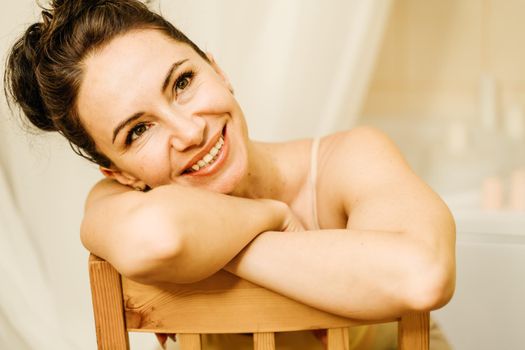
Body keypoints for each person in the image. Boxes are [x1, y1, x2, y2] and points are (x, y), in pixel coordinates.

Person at [4, 0, 456, 349]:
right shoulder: (120, 208)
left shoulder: (347, 159)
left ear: (217, 70)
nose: (190, 130)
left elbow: (422, 275)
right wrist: (272, 216)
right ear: (117, 172)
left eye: (182, 82)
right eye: (138, 131)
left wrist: (229, 247)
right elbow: (157, 239)